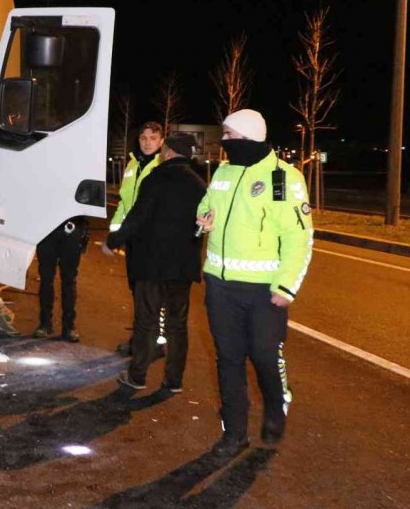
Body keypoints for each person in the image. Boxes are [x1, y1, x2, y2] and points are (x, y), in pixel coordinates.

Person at [196, 109, 314, 458]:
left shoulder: (282, 178)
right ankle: (234, 432)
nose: (224, 142)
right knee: (228, 358)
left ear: (248, 136)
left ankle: (276, 406)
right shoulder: (223, 171)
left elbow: (299, 237)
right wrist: (203, 218)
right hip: (219, 285)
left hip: (264, 291)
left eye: (229, 135)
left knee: (263, 355)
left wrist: (286, 286)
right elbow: (207, 204)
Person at [105, 133, 206, 393]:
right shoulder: (198, 183)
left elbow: (137, 218)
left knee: (147, 322)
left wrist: (113, 241)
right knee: (177, 325)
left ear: (168, 151)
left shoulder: (156, 178)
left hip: (152, 265)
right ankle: (174, 381)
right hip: (182, 269)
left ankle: (137, 376)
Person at [104, 121, 164, 355]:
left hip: (152, 240)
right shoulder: (132, 164)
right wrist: (115, 233)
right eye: (143, 138)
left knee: (148, 296)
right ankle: (148, 340)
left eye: (152, 138)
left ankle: (147, 343)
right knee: (138, 293)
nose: (147, 143)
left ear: (161, 142)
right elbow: (123, 202)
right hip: (133, 239)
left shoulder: (162, 166)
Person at [33, 216, 89, 342]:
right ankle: (45, 323)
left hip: (73, 226)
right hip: (47, 226)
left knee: (69, 280)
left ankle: (68, 326)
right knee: (46, 279)